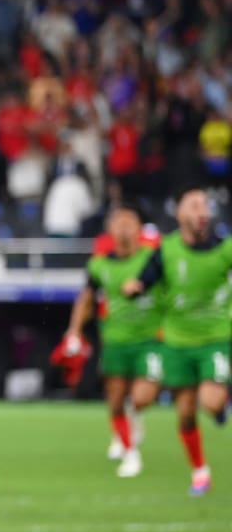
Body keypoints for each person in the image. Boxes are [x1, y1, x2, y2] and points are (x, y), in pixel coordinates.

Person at [122, 186, 232, 496]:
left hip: (215, 338)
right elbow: (145, 279)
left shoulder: (225, 249)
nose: (202, 212)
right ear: (180, 214)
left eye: (205, 207)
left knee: (210, 401)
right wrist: (135, 286)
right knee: (185, 412)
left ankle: (222, 403)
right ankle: (200, 471)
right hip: (176, 342)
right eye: (195, 206)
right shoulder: (166, 250)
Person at [63, 204, 163, 478]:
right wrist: (74, 330)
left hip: (149, 340)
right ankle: (130, 452)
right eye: (118, 221)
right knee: (116, 400)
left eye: (129, 220)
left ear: (140, 227)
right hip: (115, 341)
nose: (123, 226)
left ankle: (135, 416)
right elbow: (86, 299)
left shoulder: (153, 260)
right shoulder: (100, 265)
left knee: (143, 397)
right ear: (109, 229)